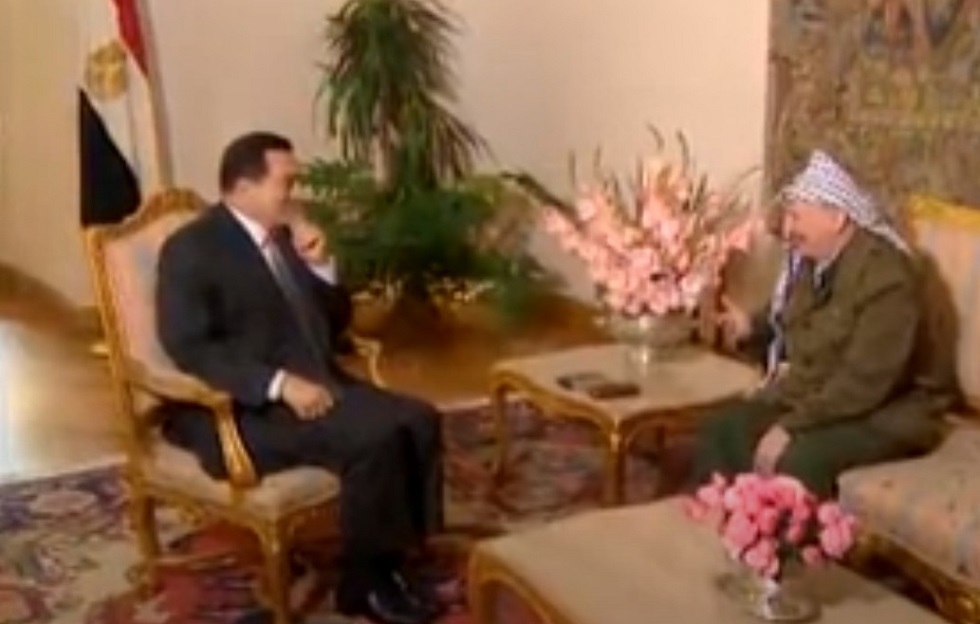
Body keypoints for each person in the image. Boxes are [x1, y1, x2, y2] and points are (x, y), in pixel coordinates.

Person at [155, 131, 444, 624]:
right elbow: (190, 346)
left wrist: (322, 266)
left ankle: (397, 553)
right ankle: (366, 585)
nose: (295, 193)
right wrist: (277, 383)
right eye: (285, 183)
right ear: (242, 187)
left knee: (419, 418)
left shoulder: (285, 236)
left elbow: (333, 324)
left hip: (317, 382)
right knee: (375, 438)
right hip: (245, 406)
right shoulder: (192, 249)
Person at [690, 149, 959, 498]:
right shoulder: (812, 259)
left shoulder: (888, 280)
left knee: (798, 459)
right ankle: (718, 516)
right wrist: (751, 329)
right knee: (727, 427)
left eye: (797, 217)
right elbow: (794, 319)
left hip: (889, 412)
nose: (788, 230)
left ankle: (779, 532)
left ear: (836, 218)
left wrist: (791, 425)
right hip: (825, 396)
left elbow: (862, 383)